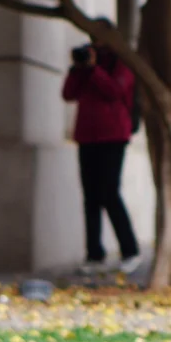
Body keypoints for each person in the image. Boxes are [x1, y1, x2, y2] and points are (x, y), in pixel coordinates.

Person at [62, 40, 142, 276]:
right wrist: (79, 68)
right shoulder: (84, 67)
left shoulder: (120, 63)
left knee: (109, 193)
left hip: (113, 136)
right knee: (91, 198)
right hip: (87, 137)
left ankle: (130, 251)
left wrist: (95, 69)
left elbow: (114, 92)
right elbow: (68, 94)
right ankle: (94, 254)